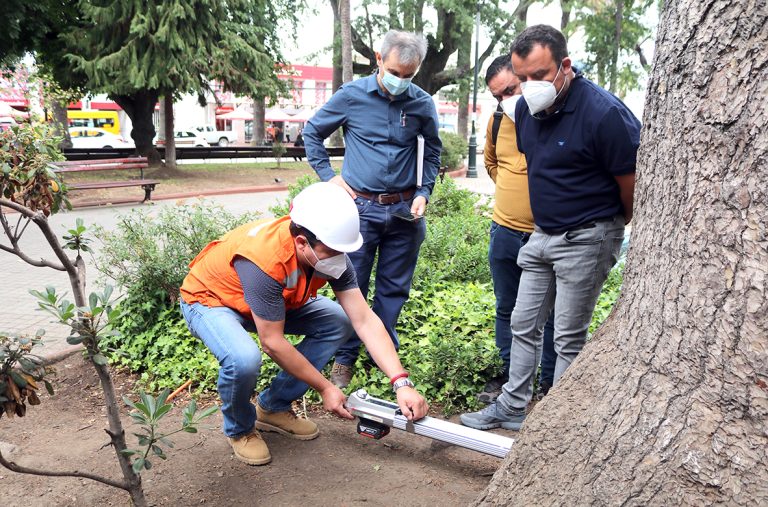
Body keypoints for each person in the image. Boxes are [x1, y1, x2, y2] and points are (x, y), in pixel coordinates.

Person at [461, 25, 640, 430]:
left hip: (587, 236)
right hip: (541, 236)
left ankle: (558, 425)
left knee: (567, 337)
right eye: (522, 78)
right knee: (523, 323)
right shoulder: (524, 110)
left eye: (539, 76)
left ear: (565, 66)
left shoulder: (604, 113)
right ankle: (512, 406)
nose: (529, 87)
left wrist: (611, 226)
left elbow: (630, 183)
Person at [179, 182, 429, 465]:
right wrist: (325, 387)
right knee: (243, 359)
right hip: (211, 300)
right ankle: (240, 430)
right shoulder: (264, 260)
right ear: (301, 242)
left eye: (342, 251)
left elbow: (364, 319)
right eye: (332, 250)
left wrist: (401, 382)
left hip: (270, 302)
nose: (339, 258)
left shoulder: (330, 255)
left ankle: (273, 407)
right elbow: (272, 343)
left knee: (338, 321)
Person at [302, 30, 442, 388]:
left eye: (409, 76)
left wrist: (424, 191)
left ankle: (386, 358)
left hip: (404, 213)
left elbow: (434, 151)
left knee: (394, 290)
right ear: (379, 60)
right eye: (395, 71)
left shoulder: (422, 103)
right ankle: (345, 358)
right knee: (353, 285)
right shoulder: (351, 96)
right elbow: (312, 132)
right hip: (359, 209)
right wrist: (328, 177)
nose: (401, 81)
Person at [477, 54, 557, 405]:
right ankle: (512, 380)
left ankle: (551, 386)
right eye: (498, 95)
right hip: (505, 232)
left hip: (549, 235)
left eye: (511, 89)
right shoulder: (499, 120)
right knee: (506, 307)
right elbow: (492, 162)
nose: (506, 98)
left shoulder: (554, 115)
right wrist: (513, 190)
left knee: (552, 314)